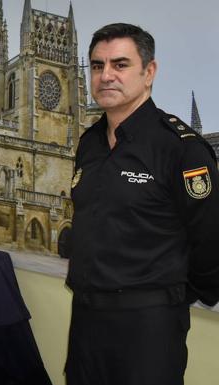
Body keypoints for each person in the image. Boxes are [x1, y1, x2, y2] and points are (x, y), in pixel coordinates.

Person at [65, 23, 219, 385]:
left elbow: (210, 240)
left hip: (148, 328)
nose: (106, 76)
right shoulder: (89, 144)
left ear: (149, 73)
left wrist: (166, 297)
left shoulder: (180, 147)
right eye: (98, 66)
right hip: (86, 322)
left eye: (120, 65)